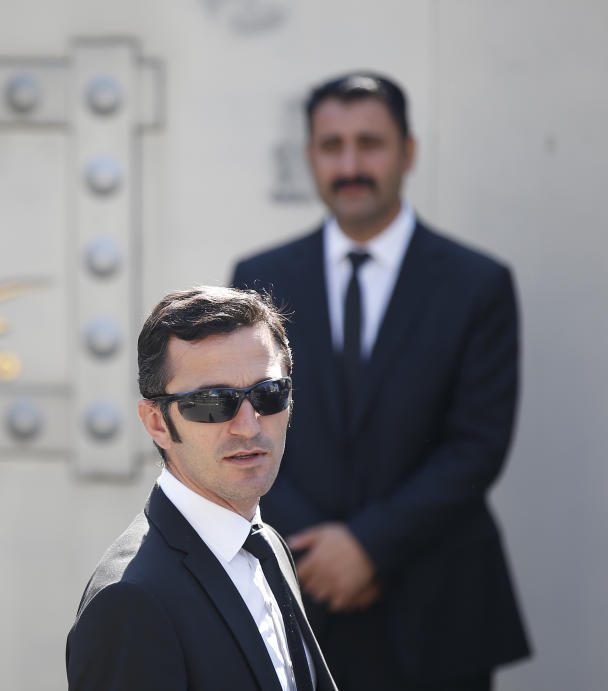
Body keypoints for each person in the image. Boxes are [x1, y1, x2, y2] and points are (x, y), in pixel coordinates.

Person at [232, 72, 531, 690]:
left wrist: (368, 546)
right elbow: (246, 422)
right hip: (298, 597)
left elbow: (477, 446)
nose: (350, 165)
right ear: (311, 155)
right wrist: (314, 558)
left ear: (408, 152)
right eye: (331, 146)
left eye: (370, 143)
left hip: (440, 604)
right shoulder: (258, 279)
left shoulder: (478, 285)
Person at [66, 286, 338, 691]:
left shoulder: (266, 546)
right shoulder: (130, 603)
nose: (248, 425)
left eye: (268, 394)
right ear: (157, 423)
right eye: (212, 402)